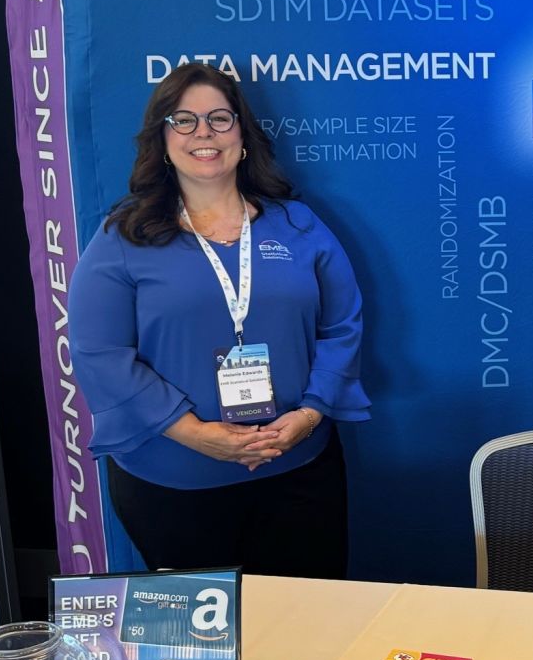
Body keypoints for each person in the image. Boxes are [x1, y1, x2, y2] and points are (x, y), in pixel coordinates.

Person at [69, 64, 370, 577]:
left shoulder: (298, 225)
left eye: (219, 119)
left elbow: (342, 326)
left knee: (311, 635)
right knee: (200, 654)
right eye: (182, 120)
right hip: (174, 481)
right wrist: (191, 432)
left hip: (298, 470)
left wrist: (311, 414)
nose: (203, 133)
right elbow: (100, 352)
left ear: (244, 137)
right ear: (161, 140)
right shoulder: (125, 237)